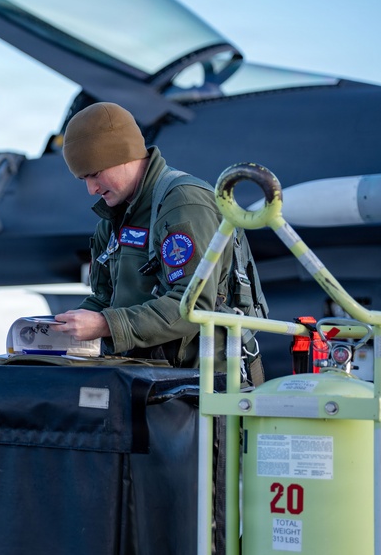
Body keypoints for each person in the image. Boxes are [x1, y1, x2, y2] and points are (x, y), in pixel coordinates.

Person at [53, 101, 250, 372]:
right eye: (83, 179)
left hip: (203, 386)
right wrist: (58, 329)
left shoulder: (183, 203)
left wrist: (106, 325)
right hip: (143, 378)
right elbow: (104, 298)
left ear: (122, 154)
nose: (91, 189)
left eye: (95, 174)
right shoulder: (114, 220)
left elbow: (195, 304)